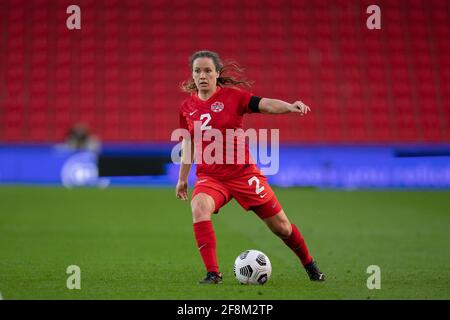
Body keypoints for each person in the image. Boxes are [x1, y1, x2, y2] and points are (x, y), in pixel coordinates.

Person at [176, 50, 325, 284]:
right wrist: (182, 177)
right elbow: (188, 142)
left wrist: (289, 106)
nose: (202, 75)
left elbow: (265, 104)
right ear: (192, 75)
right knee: (199, 207)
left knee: (282, 228)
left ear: (217, 73)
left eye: (207, 70)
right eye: (197, 71)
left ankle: (310, 265)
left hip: (244, 175)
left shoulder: (234, 97)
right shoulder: (187, 107)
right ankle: (213, 273)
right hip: (211, 177)